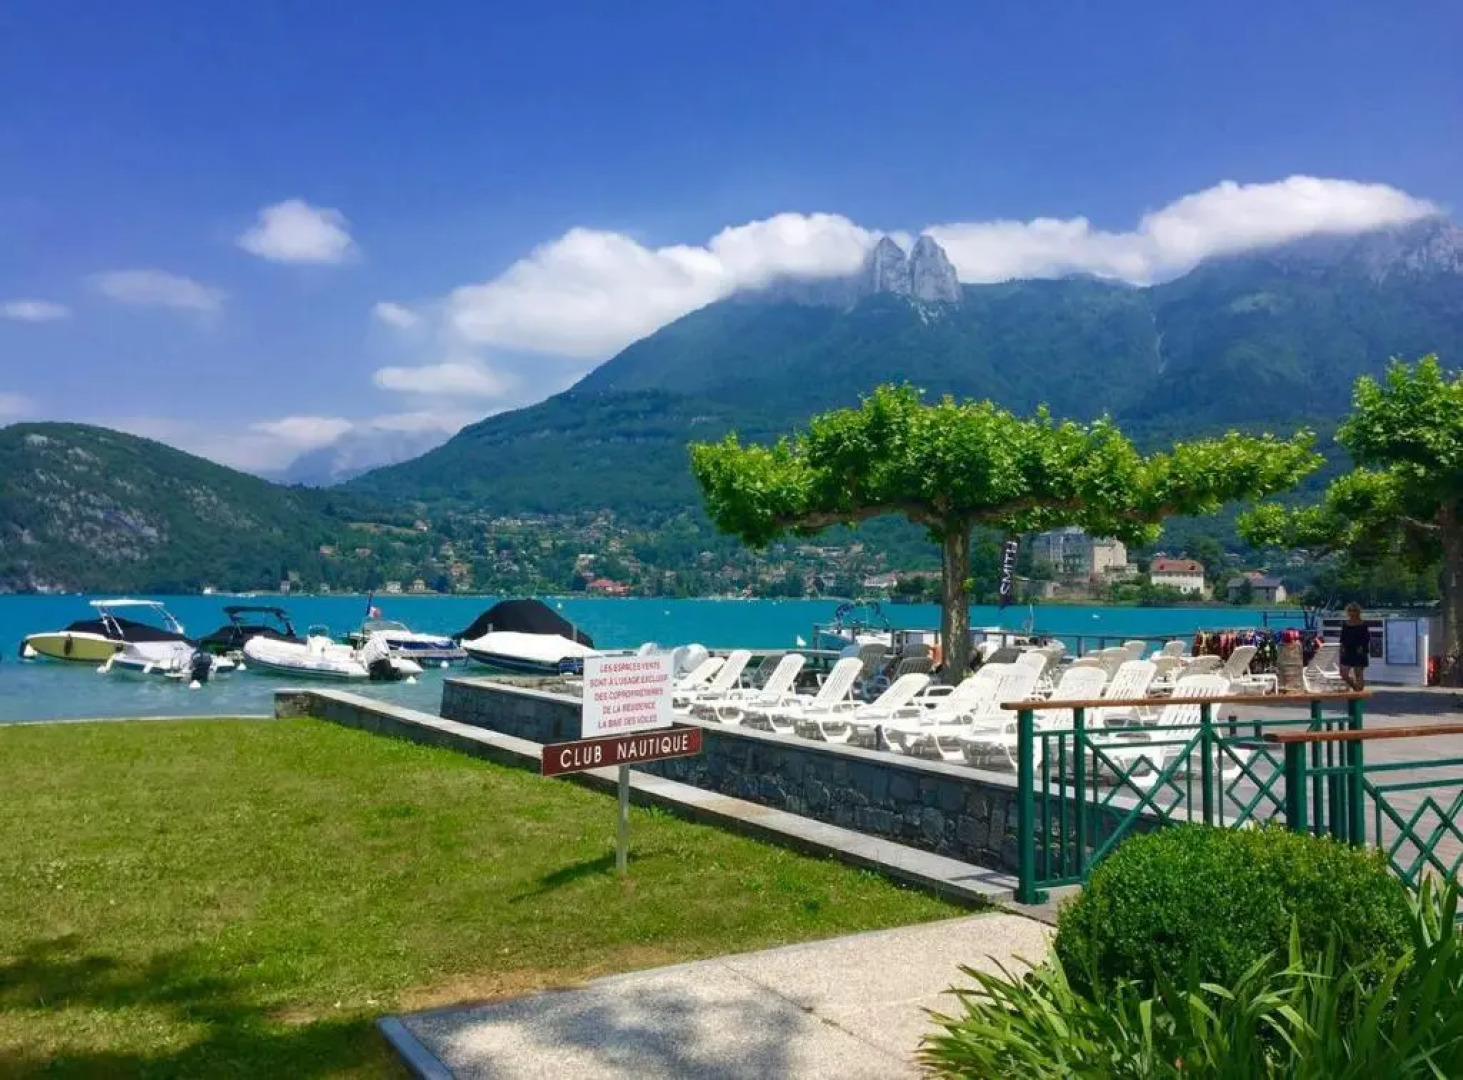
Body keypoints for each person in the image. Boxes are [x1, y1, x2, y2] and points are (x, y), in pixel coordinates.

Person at [1338, 603, 1370, 691]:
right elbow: (1342, 638)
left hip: (1359, 650)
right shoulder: (1346, 624)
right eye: (1350, 610)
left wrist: (1362, 648)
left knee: (1358, 673)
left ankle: (1359, 691)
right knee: (1344, 674)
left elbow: (1366, 638)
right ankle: (1354, 686)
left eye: (1354, 610)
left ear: (1358, 612)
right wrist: (1342, 649)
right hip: (1347, 650)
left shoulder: (1363, 624)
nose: (1352, 612)